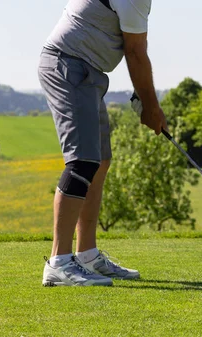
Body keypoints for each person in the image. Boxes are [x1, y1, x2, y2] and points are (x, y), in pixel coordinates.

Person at [38, 0, 167, 286]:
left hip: (87, 71)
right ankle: (59, 262)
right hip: (68, 64)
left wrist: (148, 104)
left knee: (99, 162)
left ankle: (87, 254)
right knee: (82, 162)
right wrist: (151, 107)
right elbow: (135, 52)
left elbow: (134, 46)